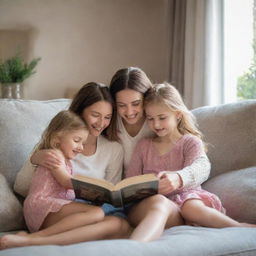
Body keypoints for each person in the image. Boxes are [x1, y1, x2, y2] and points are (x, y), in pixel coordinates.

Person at [0, 83, 131, 249]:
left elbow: (110, 194)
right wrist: (35, 158)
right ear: (80, 112)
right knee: (102, 218)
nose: (101, 123)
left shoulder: (113, 149)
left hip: (82, 212)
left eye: (107, 117)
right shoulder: (59, 145)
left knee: (120, 226)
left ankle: (34, 239)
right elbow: (22, 187)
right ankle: (33, 240)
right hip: (54, 211)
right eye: (95, 115)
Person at [126, 82, 256, 241]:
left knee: (192, 207)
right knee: (159, 201)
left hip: (182, 205)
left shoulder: (189, 142)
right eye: (150, 119)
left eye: (162, 118)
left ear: (178, 115)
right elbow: (130, 181)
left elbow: (202, 167)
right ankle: (133, 249)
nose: (156, 124)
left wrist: (179, 178)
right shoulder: (144, 145)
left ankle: (238, 227)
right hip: (149, 205)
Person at [108, 67, 185, 242]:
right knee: (158, 202)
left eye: (136, 103)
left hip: (167, 200)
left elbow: (201, 162)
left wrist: (180, 177)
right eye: (121, 105)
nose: (129, 112)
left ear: (147, 100)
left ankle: (133, 250)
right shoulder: (109, 124)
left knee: (159, 202)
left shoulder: (159, 121)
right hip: (130, 202)